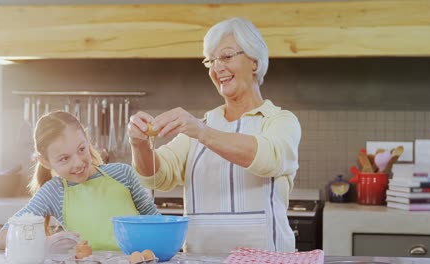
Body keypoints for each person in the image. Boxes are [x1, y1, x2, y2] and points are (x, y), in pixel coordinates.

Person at [128, 17, 301, 254]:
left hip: (268, 259)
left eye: (227, 56)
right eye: (211, 60)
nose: (217, 68)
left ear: (254, 61)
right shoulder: (200, 127)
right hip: (201, 259)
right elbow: (156, 175)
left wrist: (201, 131)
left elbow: (269, 157)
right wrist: (138, 144)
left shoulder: (280, 121)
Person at [0, 111, 159, 251]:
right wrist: (44, 243)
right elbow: (2, 238)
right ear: (45, 161)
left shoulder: (122, 174)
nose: (78, 163)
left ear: (87, 140)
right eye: (64, 158)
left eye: (81, 149)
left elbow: (157, 223)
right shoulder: (54, 192)